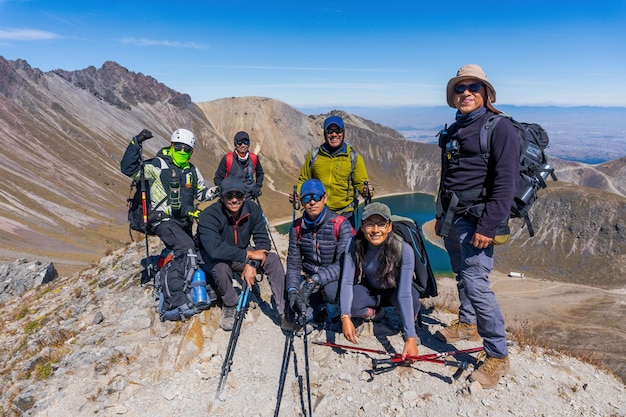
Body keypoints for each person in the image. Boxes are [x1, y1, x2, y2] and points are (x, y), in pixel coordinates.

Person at [434, 64, 518, 389]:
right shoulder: (453, 130)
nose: (466, 92)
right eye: (460, 88)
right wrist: (440, 213)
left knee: (477, 283)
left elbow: (506, 183)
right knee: (460, 273)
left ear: (485, 93)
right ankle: (468, 325)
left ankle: (498, 355)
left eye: (474, 87)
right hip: (453, 218)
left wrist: (488, 225)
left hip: (478, 221)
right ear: (453, 95)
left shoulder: (500, 128)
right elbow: (448, 178)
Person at [196, 176, 287, 331]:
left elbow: (263, 243)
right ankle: (230, 303)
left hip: (237, 254)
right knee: (221, 267)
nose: (234, 200)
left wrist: (252, 264)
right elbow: (214, 249)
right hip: (213, 257)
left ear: (244, 196)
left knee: (272, 260)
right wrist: (248, 255)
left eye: (238, 195)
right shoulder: (208, 216)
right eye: (229, 195)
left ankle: (284, 312)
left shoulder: (253, 210)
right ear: (221, 197)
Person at [120, 128, 217, 271]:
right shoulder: (158, 165)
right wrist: (136, 142)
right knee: (186, 249)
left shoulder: (192, 170)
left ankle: (160, 261)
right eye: (179, 147)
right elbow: (129, 169)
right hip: (163, 220)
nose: (182, 151)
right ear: (172, 146)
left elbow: (201, 194)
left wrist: (218, 190)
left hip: (185, 221)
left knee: (195, 251)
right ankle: (173, 283)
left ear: (192, 152)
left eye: (187, 149)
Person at [340, 202, 420, 361]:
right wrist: (345, 317)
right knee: (352, 304)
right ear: (362, 227)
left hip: (395, 292)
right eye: (370, 224)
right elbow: (347, 282)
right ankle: (378, 314)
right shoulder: (354, 244)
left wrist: (411, 336)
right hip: (371, 290)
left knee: (412, 298)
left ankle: (410, 325)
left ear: (389, 227)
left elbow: (404, 293)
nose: (375, 230)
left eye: (381, 224)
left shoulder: (404, 250)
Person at [285, 179, 355, 330]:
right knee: (296, 309)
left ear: (325, 198)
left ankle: (333, 316)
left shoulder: (341, 224)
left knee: (331, 291)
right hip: (311, 279)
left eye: (317, 197)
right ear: (302, 202)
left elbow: (344, 264)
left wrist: (317, 279)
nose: (312, 202)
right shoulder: (296, 228)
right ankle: (316, 310)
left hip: (333, 280)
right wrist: (292, 290)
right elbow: (293, 264)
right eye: (307, 198)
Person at [291, 115, 374, 228]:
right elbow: (304, 179)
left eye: (338, 131)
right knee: (321, 245)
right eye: (330, 131)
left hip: (345, 214)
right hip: (319, 212)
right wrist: (299, 194)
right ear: (325, 134)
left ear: (343, 132)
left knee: (345, 245)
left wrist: (366, 190)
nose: (334, 134)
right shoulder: (314, 156)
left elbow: (361, 183)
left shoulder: (353, 157)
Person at [213, 131, 264, 200]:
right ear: (235, 144)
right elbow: (218, 178)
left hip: (249, 198)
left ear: (248, 144)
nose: (243, 145)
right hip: (231, 199)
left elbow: (260, 173)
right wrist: (222, 189)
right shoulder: (228, 159)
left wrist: (257, 187)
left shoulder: (254, 158)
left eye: (246, 142)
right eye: (240, 142)